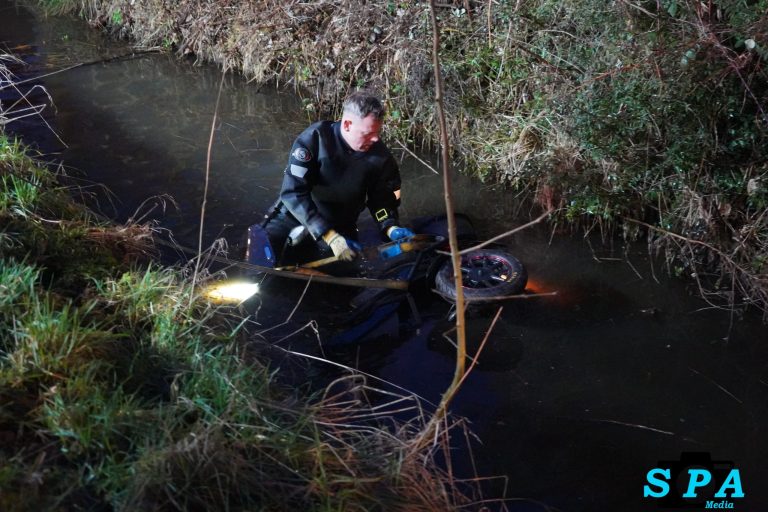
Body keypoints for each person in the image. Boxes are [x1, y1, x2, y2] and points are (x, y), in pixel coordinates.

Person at [262, 91, 413, 265]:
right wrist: (328, 235)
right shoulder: (314, 140)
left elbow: (382, 202)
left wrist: (390, 226)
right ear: (347, 125)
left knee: (346, 274)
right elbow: (292, 192)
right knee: (261, 259)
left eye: (377, 132)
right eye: (367, 133)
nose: (375, 139)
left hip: (340, 225)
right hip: (294, 216)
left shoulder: (381, 158)